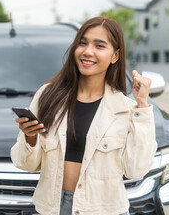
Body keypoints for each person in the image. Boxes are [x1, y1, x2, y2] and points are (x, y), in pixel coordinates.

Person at [10, 16, 157, 215]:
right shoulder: (47, 96)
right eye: (83, 43)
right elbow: (25, 164)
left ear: (115, 56)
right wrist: (30, 137)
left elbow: (136, 170)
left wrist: (142, 105)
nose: (88, 52)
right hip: (53, 207)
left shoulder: (127, 110)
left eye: (99, 46)